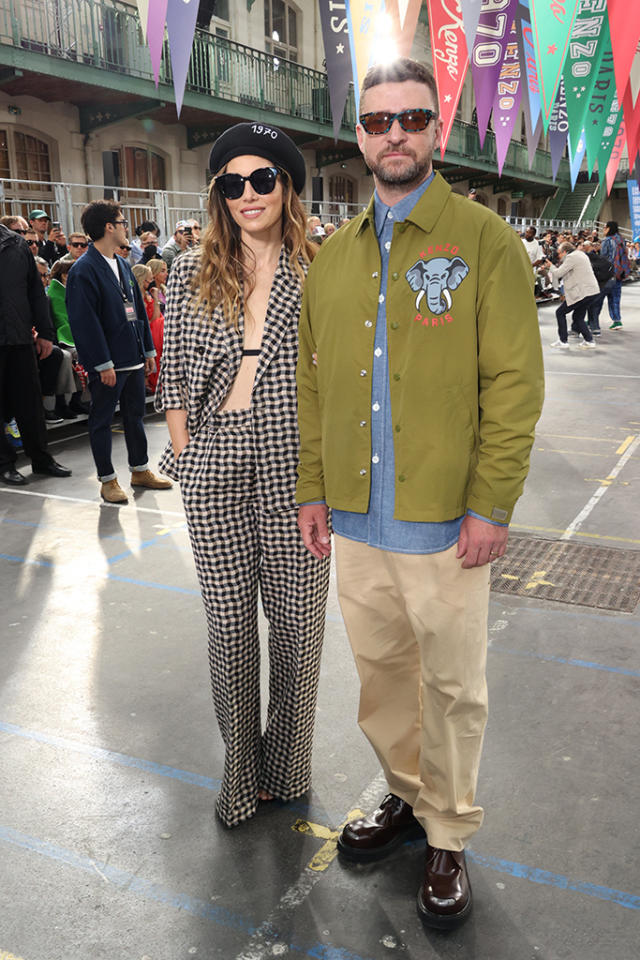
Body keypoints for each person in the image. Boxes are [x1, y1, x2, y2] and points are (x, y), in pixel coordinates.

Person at [296, 58, 544, 929]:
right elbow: (312, 383)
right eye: (376, 120)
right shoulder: (333, 258)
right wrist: (313, 490)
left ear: (436, 130)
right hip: (359, 523)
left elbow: (513, 382)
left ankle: (449, 833)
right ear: (358, 136)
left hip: (443, 522)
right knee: (385, 678)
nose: (393, 132)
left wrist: (490, 504)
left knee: (452, 686)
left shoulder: (483, 241)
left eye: (410, 117)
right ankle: (407, 798)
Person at [155, 121, 331, 829]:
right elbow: (171, 384)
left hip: (296, 468)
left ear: (286, 186)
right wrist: (187, 448)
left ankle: (287, 767)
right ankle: (239, 773)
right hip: (215, 460)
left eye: (263, 179)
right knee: (229, 630)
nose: (248, 194)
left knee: (298, 628)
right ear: (218, 194)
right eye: (233, 183)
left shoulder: (320, 272)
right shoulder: (193, 274)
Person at [65, 200, 172, 504]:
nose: (127, 228)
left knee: (135, 416)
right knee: (101, 419)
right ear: (109, 227)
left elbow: (136, 308)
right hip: (108, 362)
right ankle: (107, 479)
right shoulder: (84, 270)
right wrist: (101, 363)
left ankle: (140, 469)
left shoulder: (123, 263)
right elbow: (85, 323)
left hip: (132, 356)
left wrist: (148, 349)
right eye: (123, 222)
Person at [0, 222, 71, 484]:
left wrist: (44, 333)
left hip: (19, 336)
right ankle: (4, 463)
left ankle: (41, 458)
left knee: (30, 402)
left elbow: (35, 292)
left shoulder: (15, 243)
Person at [545, 242, 599, 349]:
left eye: (559, 253)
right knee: (578, 317)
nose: (558, 257)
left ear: (565, 252)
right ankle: (589, 340)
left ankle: (563, 341)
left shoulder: (571, 257)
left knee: (560, 312)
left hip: (582, 292)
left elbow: (558, 273)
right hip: (591, 291)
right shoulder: (580, 254)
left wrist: (550, 266)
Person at [132, 263, 163, 394]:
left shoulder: (149, 294)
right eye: (147, 280)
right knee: (160, 324)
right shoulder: (135, 297)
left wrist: (155, 298)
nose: (150, 283)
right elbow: (148, 320)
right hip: (145, 329)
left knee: (161, 323)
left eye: (151, 279)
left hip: (155, 326)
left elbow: (156, 317)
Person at [600, 220, 631, 330]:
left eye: (604, 227)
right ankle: (617, 321)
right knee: (615, 297)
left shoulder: (607, 241)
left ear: (608, 228)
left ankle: (592, 320)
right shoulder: (621, 240)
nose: (603, 230)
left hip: (608, 274)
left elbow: (603, 259)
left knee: (598, 298)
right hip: (619, 273)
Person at [581, 241, 615, 336]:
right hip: (611, 280)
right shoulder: (595, 256)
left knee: (593, 304)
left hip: (604, 282)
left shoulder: (586, 258)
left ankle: (595, 328)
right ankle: (592, 325)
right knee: (596, 304)